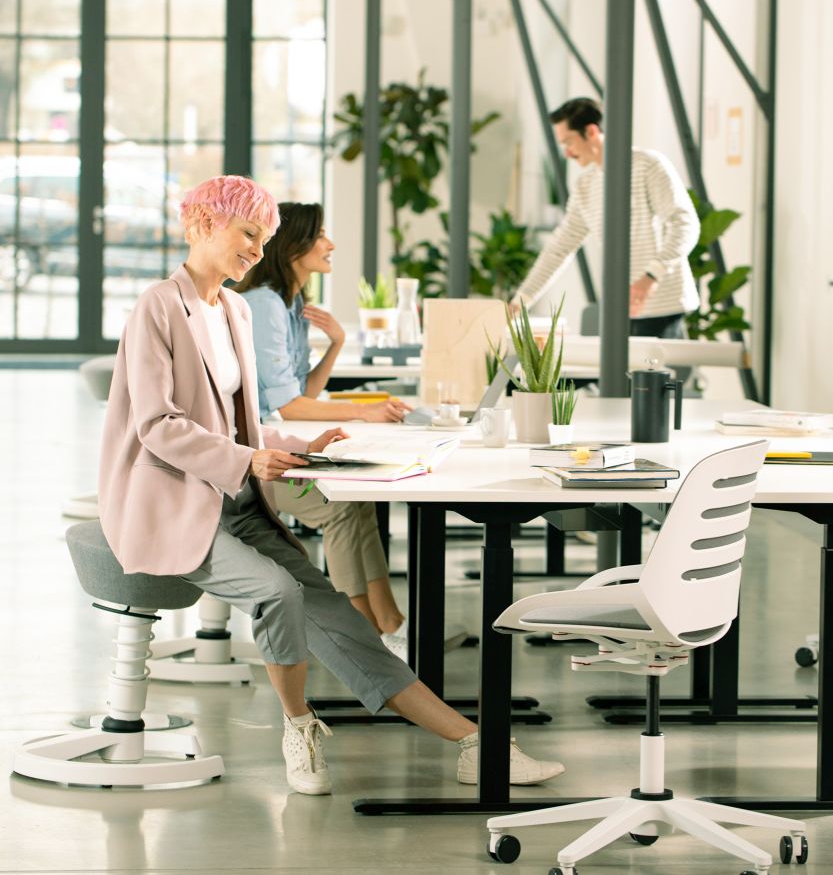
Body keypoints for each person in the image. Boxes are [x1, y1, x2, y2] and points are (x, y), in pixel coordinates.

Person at [98, 175, 564, 795]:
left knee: (340, 619)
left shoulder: (233, 308)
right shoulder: (159, 306)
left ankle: (473, 744)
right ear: (203, 224)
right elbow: (157, 424)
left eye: (263, 240)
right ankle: (299, 726)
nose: (256, 251)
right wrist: (245, 460)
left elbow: (248, 422)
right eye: (247, 235)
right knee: (276, 592)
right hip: (178, 505)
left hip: (239, 501)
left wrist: (298, 445)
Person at [234, 201, 411, 657]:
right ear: (292, 246)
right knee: (340, 508)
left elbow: (300, 390)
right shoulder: (264, 305)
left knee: (359, 502)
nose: (330, 245)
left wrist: (336, 345)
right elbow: (291, 408)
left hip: (278, 441)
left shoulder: (291, 304)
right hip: (255, 460)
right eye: (320, 237)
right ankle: (364, 634)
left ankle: (389, 623)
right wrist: (365, 413)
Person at [513, 97, 700, 340]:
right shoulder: (585, 186)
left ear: (591, 131)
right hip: (618, 310)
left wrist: (651, 277)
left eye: (568, 141)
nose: (567, 153)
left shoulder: (648, 166)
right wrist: (522, 300)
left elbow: (685, 224)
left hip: (662, 307)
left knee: (651, 378)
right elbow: (560, 247)